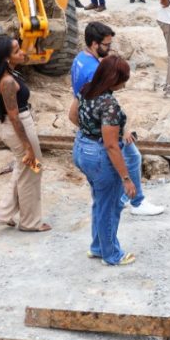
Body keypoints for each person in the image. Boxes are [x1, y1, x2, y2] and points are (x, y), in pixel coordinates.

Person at [70, 20, 164, 217]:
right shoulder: (94, 72)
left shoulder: (80, 58)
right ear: (94, 44)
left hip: (92, 127)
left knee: (129, 159)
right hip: (102, 128)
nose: (109, 48)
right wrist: (117, 131)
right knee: (132, 157)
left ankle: (129, 198)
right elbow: (98, 105)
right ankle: (135, 200)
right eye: (106, 45)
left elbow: (76, 105)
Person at [69, 55, 137, 266]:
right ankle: (111, 254)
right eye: (123, 80)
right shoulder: (109, 105)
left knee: (100, 200)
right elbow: (111, 146)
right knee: (110, 205)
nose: (124, 84)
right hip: (99, 157)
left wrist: (90, 129)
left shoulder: (86, 89)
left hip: (81, 148)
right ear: (112, 79)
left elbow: (72, 116)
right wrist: (126, 178)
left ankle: (98, 247)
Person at [0, 35, 49, 232]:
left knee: (24, 171)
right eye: (16, 51)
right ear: (6, 58)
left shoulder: (9, 73)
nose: (22, 52)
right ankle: (30, 222)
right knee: (32, 171)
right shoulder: (6, 81)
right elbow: (14, 117)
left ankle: (3, 214)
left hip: (20, 125)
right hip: (19, 128)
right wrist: (28, 147)